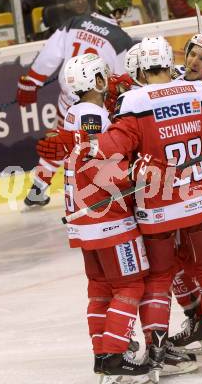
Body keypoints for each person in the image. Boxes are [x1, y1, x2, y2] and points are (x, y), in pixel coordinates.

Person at [80, 36, 202, 378]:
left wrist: (132, 168)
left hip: (155, 212)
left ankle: (155, 351)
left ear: (140, 67)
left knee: (157, 279)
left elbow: (106, 153)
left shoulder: (132, 101)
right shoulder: (199, 93)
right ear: (170, 62)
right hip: (199, 203)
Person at [42, 53, 150, 382]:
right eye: (104, 76)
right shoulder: (92, 115)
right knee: (131, 284)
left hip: (83, 218)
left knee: (100, 289)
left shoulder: (75, 112)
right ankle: (116, 356)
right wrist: (138, 175)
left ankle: (103, 354)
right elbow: (103, 159)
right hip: (107, 218)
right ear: (97, 82)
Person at [16, 0, 134, 208]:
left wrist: (32, 82)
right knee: (98, 146)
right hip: (96, 106)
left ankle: (38, 188)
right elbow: (123, 81)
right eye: (123, 10)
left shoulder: (75, 22)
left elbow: (50, 55)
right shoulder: (121, 40)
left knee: (63, 141)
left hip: (68, 101)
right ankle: (100, 189)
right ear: (117, 11)